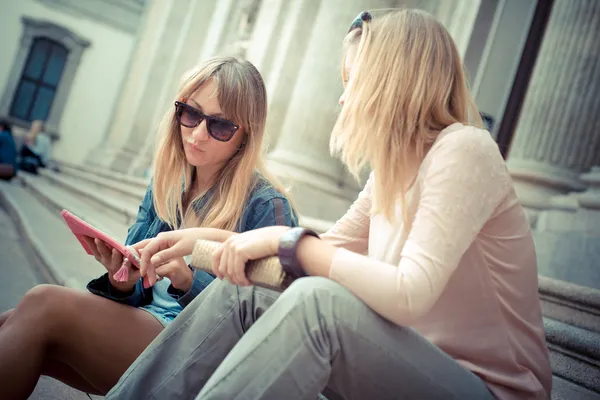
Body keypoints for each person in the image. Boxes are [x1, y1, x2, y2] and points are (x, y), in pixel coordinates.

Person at [106, 9, 552, 400]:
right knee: (246, 294)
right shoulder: (391, 176)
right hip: (400, 363)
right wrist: (195, 244)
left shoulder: (465, 149)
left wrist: (288, 241)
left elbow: (408, 293)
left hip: (485, 389)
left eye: (353, 80)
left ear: (392, 82)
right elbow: (296, 261)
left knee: (317, 303)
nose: (343, 98)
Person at [0, 56, 298, 399]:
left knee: (42, 304)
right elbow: (137, 288)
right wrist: (121, 279)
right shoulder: (170, 182)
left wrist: (189, 281)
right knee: (13, 321)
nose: (198, 134)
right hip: (144, 325)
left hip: (196, 354)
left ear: (245, 136)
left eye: (219, 126)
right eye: (191, 114)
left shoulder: (267, 205)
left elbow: (268, 314)